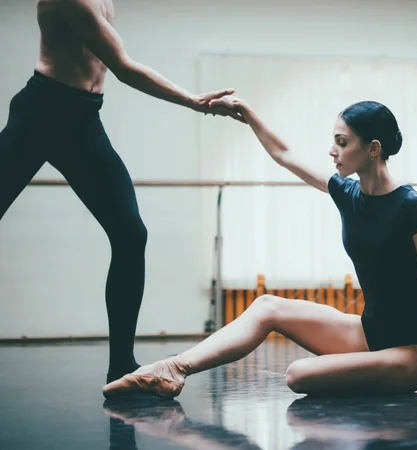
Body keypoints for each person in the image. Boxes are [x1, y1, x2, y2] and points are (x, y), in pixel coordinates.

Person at [102, 97, 417, 399]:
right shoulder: (346, 192)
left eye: (341, 142)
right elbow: (284, 155)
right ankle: (173, 370)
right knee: (268, 306)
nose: (332, 151)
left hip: (411, 354)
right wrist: (247, 114)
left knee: (298, 374)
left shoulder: (411, 206)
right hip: (370, 333)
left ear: (373, 148)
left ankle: (173, 372)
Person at [0, 0, 243, 384]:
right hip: (41, 111)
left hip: (81, 118)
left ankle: (121, 368)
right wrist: (195, 102)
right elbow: (124, 67)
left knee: (131, 234)